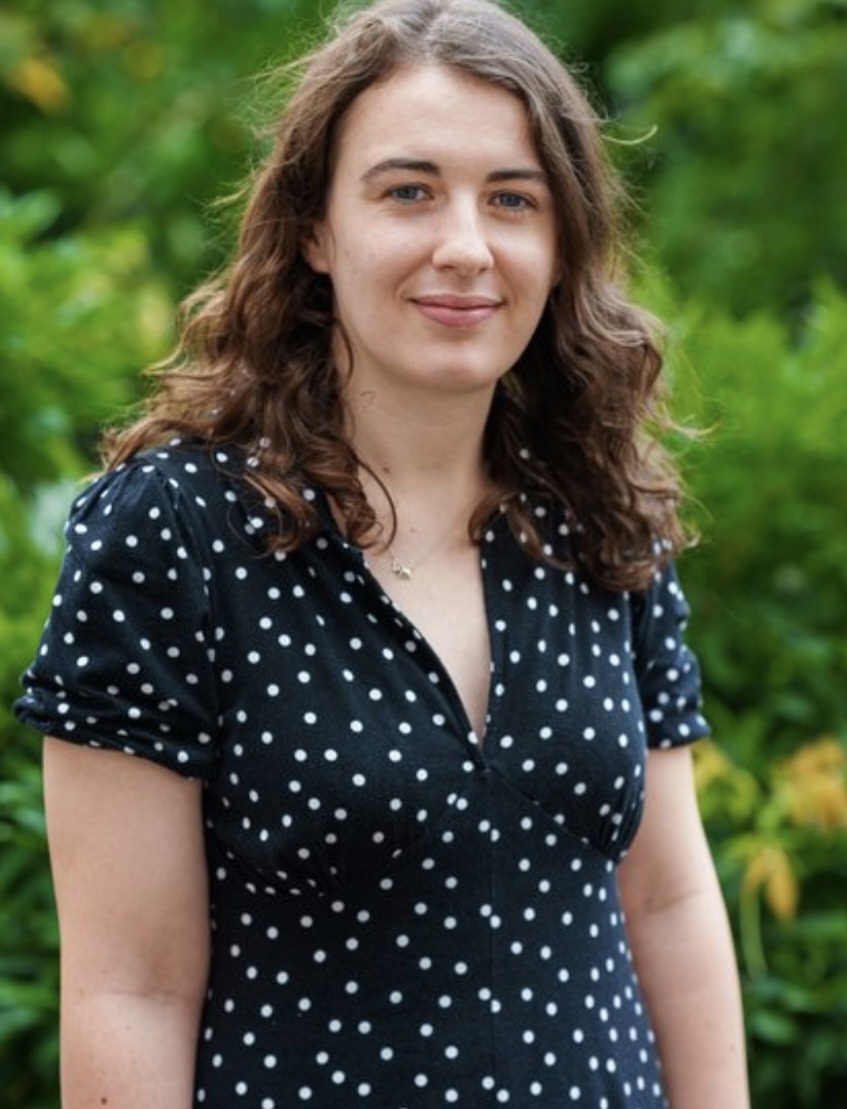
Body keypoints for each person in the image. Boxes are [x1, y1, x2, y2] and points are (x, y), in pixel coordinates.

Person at [15, 0, 750, 1106]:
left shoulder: (601, 512)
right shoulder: (176, 531)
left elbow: (667, 902)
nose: (465, 246)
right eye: (408, 191)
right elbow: (132, 987)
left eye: (512, 199)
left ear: (561, 243)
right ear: (314, 229)